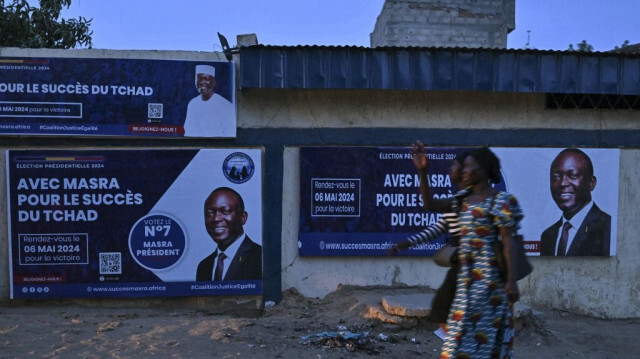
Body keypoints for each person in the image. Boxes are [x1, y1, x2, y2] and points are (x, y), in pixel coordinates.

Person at [412, 141, 523, 358]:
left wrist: (511, 281)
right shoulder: (462, 201)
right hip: (466, 283)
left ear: (483, 171)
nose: (464, 171)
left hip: (491, 285)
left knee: (487, 339)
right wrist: (422, 171)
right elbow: (430, 204)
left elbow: (508, 242)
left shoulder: (502, 201)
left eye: (469, 166)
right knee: (457, 339)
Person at [389, 151, 471, 330]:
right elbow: (437, 229)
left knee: (451, 313)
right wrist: (406, 244)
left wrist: (423, 171)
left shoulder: (473, 200)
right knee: (444, 312)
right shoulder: (456, 202)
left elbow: (430, 204)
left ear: (468, 171)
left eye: (455, 166)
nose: (451, 169)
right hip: (461, 268)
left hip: (472, 271)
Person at [540, 148, 611, 256]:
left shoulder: (607, 228)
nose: (563, 183)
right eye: (556, 177)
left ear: (591, 183)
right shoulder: (548, 235)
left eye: (572, 176)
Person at [196, 187, 262, 281]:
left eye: (225, 211)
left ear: (243, 217)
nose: (216, 219)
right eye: (209, 213)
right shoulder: (204, 266)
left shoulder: (260, 258)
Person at [183, 64, 235, 138]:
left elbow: (230, 135)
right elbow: (188, 132)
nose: (202, 82)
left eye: (206, 79)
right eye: (199, 78)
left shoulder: (225, 105)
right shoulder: (192, 104)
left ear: (214, 82)